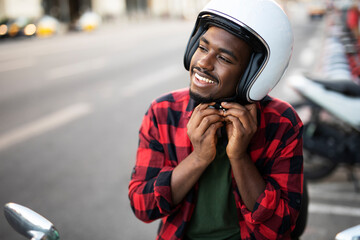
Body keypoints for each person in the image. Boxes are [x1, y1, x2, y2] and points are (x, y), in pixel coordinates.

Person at [128, 0, 306, 239]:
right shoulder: (163, 111)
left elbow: (282, 225)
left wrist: (240, 156)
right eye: (202, 48)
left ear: (254, 74)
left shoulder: (282, 123)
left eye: (224, 58)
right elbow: (142, 206)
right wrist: (198, 158)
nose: (203, 63)